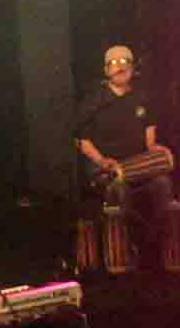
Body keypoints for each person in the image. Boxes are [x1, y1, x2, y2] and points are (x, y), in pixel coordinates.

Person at [68, 40, 165, 285]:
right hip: (105, 167)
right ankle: (125, 250)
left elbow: (149, 133)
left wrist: (154, 151)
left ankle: (157, 244)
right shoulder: (94, 101)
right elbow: (80, 140)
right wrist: (101, 160)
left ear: (133, 68)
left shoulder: (142, 97)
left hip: (138, 164)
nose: (120, 67)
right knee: (119, 188)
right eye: (114, 63)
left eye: (125, 63)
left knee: (162, 183)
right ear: (106, 70)